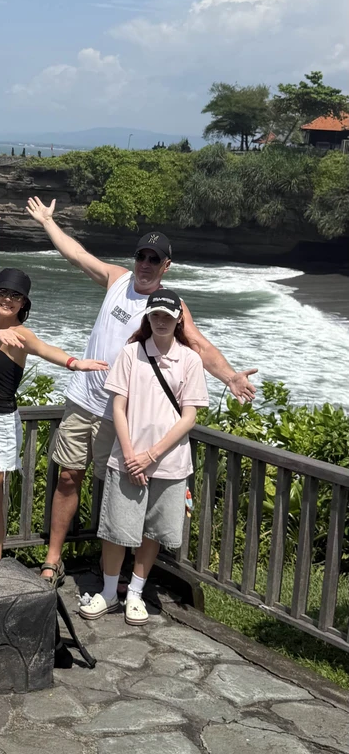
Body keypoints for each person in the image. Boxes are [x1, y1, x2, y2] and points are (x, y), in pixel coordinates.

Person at [26, 198, 258, 586]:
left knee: (115, 490)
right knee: (68, 478)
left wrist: (230, 377)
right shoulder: (117, 279)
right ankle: (53, 560)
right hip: (84, 400)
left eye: (155, 259)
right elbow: (77, 255)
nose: (146, 264)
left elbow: (198, 345)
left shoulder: (170, 304)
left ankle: (112, 574)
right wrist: (48, 223)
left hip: (123, 414)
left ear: (166, 266)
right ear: (135, 258)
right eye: (142, 256)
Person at [0, 204, 108, 564]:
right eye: (2, 294)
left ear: (24, 304)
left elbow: (48, 350)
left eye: (15, 297)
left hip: (0, 429)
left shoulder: (20, 334)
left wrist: (78, 363)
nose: (6, 299)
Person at [81, 288, 209, 625]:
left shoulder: (190, 360)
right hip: (128, 457)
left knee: (153, 531)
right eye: (156, 315)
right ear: (147, 317)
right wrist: (130, 455)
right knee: (116, 528)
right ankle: (109, 592)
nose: (162, 321)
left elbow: (189, 417)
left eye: (168, 316)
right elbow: (118, 407)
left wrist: (149, 456)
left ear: (179, 319)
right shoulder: (131, 353)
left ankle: (135, 591)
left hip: (168, 462)